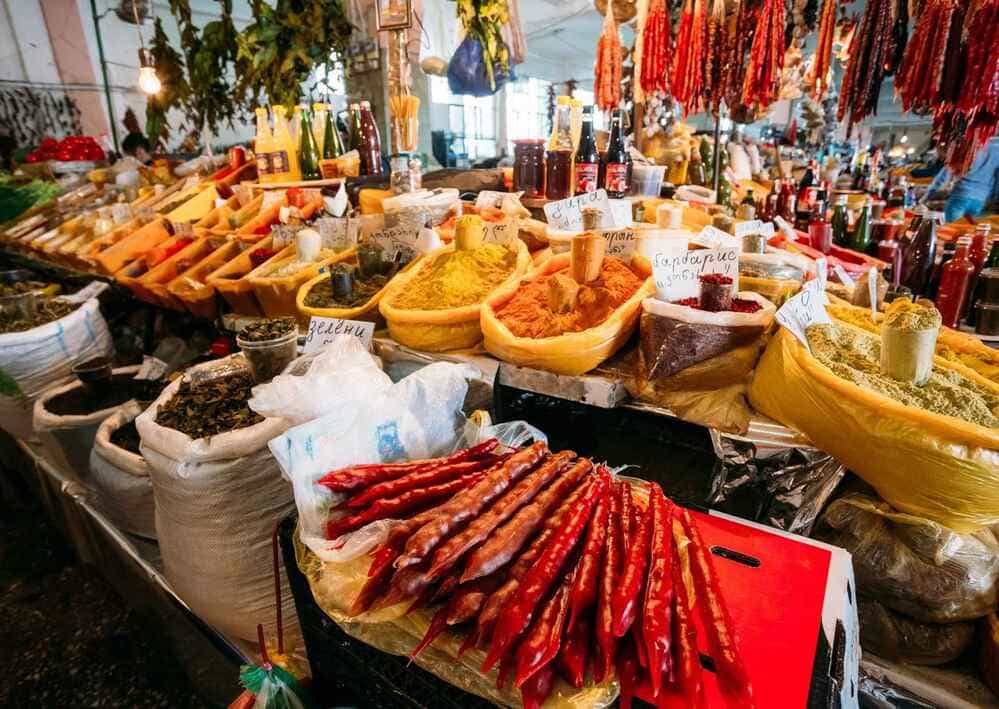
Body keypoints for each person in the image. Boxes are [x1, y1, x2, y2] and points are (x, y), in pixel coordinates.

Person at [925, 136, 999, 222]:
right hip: (980, 200)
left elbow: (945, 174)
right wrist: (993, 199)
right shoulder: (996, 149)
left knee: (950, 231)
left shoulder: (970, 143)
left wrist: (927, 196)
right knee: (967, 232)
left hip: (960, 196)